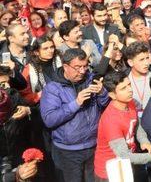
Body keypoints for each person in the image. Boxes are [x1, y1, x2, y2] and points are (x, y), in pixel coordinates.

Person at [40, 48, 110, 182]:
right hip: (68, 151)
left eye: (85, 66)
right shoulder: (53, 88)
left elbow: (106, 106)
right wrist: (76, 103)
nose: (82, 71)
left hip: (94, 145)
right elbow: (49, 119)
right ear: (65, 66)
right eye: (77, 67)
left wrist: (102, 92)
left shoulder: (90, 79)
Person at [93, 71, 151, 182]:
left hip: (129, 162)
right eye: (123, 88)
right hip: (111, 171)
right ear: (112, 95)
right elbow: (123, 155)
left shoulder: (129, 103)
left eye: (129, 85)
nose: (130, 90)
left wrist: (143, 140)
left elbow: (136, 123)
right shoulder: (111, 120)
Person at [124, 42, 151, 117]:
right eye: (141, 60)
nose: (146, 63)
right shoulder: (123, 78)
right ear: (130, 62)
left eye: (147, 58)